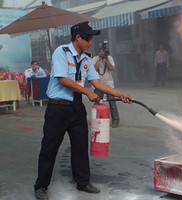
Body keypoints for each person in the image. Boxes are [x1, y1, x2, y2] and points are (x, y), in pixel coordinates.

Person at [33, 21, 132, 200]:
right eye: (87, 38)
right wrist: (87, 92)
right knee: (49, 147)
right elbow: (63, 79)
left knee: (80, 146)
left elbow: (98, 83)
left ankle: (83, 182)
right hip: (57, 108)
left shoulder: (86, 59)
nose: (90, 42)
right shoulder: (61, 52)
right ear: (77, 37)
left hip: (76, 108)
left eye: (91, 38)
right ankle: (41, 186)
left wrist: (121, 94)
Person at [93, 45, 120, 128]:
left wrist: (106, 58)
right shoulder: (95, 58)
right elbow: (95, 69)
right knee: (97, 102)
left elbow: (111, 67)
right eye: (101, 51)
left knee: (112, 103)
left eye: (103, 51)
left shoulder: (110, 58)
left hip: (109, 84)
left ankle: (115, 121)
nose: (102, 53)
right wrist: (99, 59)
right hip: (99, 84)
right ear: (99, 52)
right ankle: (95, 119)